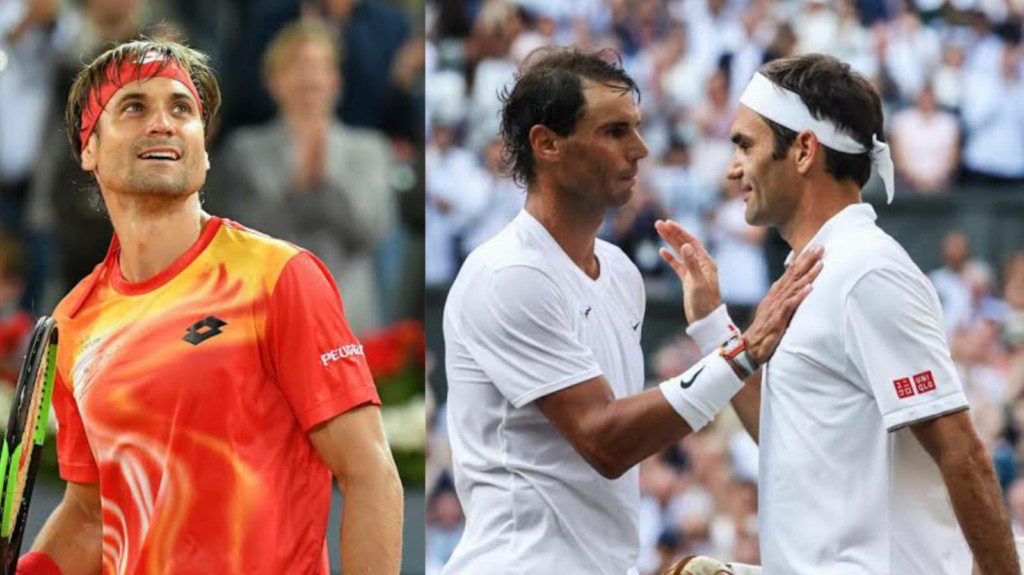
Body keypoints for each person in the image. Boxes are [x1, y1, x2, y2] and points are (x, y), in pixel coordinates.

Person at [15, 39, 403, 575]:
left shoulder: (279, 277)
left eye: (182, 108)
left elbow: (369, 473)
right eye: (134, 106)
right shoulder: (74, 321)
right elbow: (90, 514)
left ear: (204, 144)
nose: (164, 123)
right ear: (89, 148)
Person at [441, 47, 822, 575]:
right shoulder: (509, 275)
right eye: (614, 132)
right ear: (546, 144)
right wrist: (743, 350)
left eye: (637, 128)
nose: (640, 149)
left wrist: (718, 330)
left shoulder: (620, 273)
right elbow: (605, 440)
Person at [664, 53, 1019, 574]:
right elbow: (791, 441)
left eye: (745, 144)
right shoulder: (815, 271)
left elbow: (963, 454)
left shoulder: (867, 272)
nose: (731, 168)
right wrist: (714, 325)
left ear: (804, 150)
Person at [214, 19, 394, 335]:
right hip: (270, 320)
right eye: (297, 65)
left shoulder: (370, 149)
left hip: (351, 321)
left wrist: (327, 183)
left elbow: (374, 231)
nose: (310, 77)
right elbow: (243, 242)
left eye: (320, 66)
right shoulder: (244, 150)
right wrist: (298, 185)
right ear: (272, 80)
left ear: (336, 80)